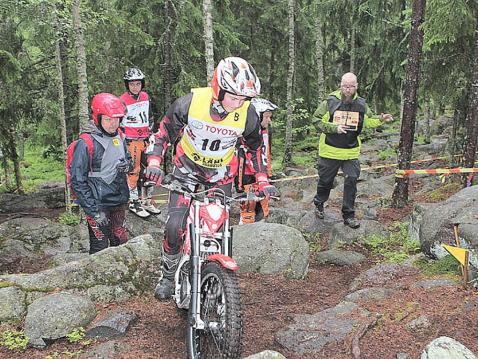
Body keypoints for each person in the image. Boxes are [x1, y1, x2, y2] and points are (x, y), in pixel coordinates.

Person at [145, 57, 280, 300]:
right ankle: (168, 274)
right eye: (233, 97)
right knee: (174, 226)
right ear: (218, 89)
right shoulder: (190, 103)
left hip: (220, 175)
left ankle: (216, 278)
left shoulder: (247, 114)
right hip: (186, 170)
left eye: (243, 99)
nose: (237, 104)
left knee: (219, 228)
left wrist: (262, 179)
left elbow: (255, 148)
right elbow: (162, 133)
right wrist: (154, 163)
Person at [313, 72, 393, 229]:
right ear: (340, 85)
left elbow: (368, 121)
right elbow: (316, 120)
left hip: (351, 151)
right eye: (344, 86)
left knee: (351, 181)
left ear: (356, 86)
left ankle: (349, 215)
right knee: (326, 181)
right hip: (330, 150)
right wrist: (334, 128)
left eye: (350, 86)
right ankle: (319, 203)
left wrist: (381, 119)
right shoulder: (330, 101)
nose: (347, 89)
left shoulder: (361, 104)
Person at [70, 93, 131, 254]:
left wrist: (127, 165)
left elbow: (128, 159)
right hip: (98, 204)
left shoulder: (121, 135)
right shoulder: (86, 143)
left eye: (116, 119)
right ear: (97, 118)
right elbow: (77, 180)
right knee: (100, 247)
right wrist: (93, 212)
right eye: (108, 119)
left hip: (118, 201)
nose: (113, 124)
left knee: (120, 241)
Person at [120, 67, 160, 218]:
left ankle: (147, 201)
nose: (135, 87)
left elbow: (149, 117)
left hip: (145, 137)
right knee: (134, 170)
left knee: (149, 170)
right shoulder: (122, 100)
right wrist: (125, 138)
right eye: (132, 84)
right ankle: (133, 202)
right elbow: (119, 122)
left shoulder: (145, 96)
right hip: (131, 139)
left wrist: (151, 133)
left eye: (138, 84)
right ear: (127, 85)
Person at [236, 98, 278, 224]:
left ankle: (260, 228)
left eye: (270, 117)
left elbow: (265, 154)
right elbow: (252, 155)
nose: (269, 120)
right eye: (266, 117)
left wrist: (267, 174)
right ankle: (244, 232)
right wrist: (261, 177)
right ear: (257, 117)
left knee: (262, 204)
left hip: (261, 173)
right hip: (248, 174)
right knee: (249, 205)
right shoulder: (245, 133)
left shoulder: (263, 131)